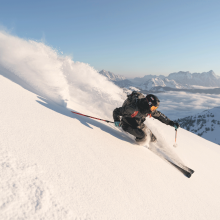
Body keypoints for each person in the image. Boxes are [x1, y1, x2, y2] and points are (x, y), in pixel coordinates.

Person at [113, 92, 180, 143]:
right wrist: (117, 120)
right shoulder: (133, 109)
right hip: (127, 122)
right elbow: (116, 111)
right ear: (148, 104)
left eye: (155, 108)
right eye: (153, 107)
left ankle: (152, 147)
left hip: (138, 122)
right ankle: (139, 148)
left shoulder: (149, 110)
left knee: (153, 138)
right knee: (143, 136)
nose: (154, 110)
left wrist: (171, 123)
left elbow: (160, 116)